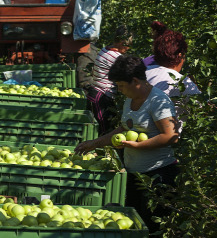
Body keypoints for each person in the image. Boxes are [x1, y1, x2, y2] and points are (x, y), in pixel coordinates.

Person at [75, 55, 179, 233]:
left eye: (122, 85)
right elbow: (123, 129)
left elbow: (171, 136)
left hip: (157, 176)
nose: (120, 90)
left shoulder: (158, 101)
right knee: (134, 224)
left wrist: (137, 146)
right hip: (136, 175)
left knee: (152, 227)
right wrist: (94, 143)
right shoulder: (130, 100)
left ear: (136, 81)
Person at [145, 21, 201, 133]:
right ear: (180, 55)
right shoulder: (183, 82)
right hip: (163, 143)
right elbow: (204, 112)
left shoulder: (144, 72)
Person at [86, 25, 133, 135]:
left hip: (95, 94)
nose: (128, 49)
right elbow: (129, 74)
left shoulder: (105, 49)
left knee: (99, 130)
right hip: (101, 96)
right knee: (104, 132)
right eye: (128, 46)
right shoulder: (116, 57)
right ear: (122, 43)